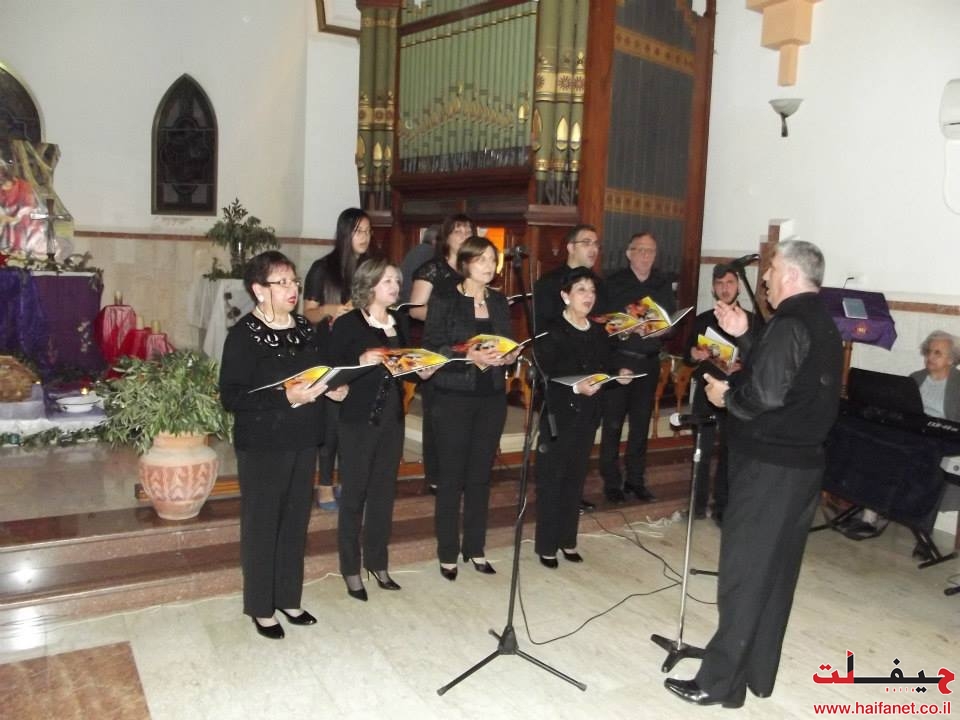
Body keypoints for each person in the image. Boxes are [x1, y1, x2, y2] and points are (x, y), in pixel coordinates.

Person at [664, 240, 842, 707]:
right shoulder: (821, 320)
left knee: (744, 575)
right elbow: (788, 376)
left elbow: (764, 394)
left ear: (792, 275)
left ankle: (719, 683)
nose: (764, 277)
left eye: (772, 268)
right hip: (802, 468)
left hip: (768, 468)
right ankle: (756, 674)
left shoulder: (790, 323)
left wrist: (726, 398)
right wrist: (746, 335)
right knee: (775, 576)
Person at [219, 251, 348, 640]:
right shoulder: (244, 335)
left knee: (295, 522)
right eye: (283, 282)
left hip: (303, 437)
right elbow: (232, 396)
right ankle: (261, 607)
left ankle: (289, 598)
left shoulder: (305, 328)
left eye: (294, 281)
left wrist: (333, 388)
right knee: (262, 524)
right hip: (263, 442)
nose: (293, 289)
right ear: (259, 290)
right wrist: (286, 397)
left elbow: (318, 373)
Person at [329, 258, 436, 600]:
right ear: (369, 284)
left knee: (383, 495)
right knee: (354, 496)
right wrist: (358, 362)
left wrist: (421, 371)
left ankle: (378, 562)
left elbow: (401, 367)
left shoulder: (399, 321)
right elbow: (329, 369)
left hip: (392, 420)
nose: (396, 287)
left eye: (397, 281)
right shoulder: (347, 323)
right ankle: (350, 568)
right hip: (357, 420)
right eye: (388, 280)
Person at [424, 235, 515, 580]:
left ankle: (475, 547)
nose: (489, 266)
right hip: (453, 397)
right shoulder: (445, 297)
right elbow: (432, 347)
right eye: (482, 260)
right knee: (451, 477)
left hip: (491, 396)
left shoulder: (499, 300)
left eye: (493, 259)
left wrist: (509, 355)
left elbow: (507, 341)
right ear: (465, 263)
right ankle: (447, 552)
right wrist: (468, 355)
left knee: (480, 476)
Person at [534, 267, 631, 567]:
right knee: (552, 479)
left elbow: (605, 368)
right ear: (565, 296)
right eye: (581, 290)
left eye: (591, 290)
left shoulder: (598, 331)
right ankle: (546, 545)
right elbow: (544, 376)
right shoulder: (551, 330)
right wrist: (576, 387)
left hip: (588, 414)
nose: (588, 296)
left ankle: (567, 540)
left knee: (575, 479)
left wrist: (618, 374)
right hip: (559, 413)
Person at [303, 208, 372, 511]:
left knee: (354, 421)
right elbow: (307, 313)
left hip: (360, 350)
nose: (365, 237)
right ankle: (324, 484)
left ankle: (348, 479)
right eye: (359, 231)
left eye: (368, 231)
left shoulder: (370, 269)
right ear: (345, 233)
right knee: (331, 424)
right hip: (329, 350)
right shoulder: (323, 268)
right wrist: (332, 310)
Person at [600, 231, 675, 504]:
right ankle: (611, 482)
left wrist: (663, 330)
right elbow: (603, 322)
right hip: (620, 360)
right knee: (613, 424)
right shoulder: (613, 282)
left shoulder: (662, 283)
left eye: (651, 251)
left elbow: (671, 324)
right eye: (640, 250)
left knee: (641, 425)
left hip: (649, 361)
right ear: (629, 253)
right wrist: (626, 328)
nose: (645, 255)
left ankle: (635, 480)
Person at [408, 214, 476, 495]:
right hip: (438, 346)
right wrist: (449, 317)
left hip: (469, 349)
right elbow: (415, 309)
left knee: (467, 414)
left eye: (468, 230)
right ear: (446, 238)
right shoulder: (432, 269)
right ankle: (436, 476)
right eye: (458, 231)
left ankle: (463, 472)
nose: (464, 235)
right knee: (438, 415)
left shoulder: (474, 269)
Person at [682, 263, 756, 523]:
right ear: (713, 288)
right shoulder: (703, 319)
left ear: (739, 286)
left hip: (735, 394)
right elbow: (687, 356)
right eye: (720, 284)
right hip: (706, 390)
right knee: (700, 450)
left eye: (730, 283)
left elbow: (760, 360)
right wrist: (694, 354)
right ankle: (697, 505)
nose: (725, 288)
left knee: (729, 451)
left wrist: (742, 366)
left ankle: (723, 507)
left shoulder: (752, 321)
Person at [532, 223, 606, 334]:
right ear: (571, 248)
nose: (594, 249)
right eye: (586, 243)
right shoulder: (549, 282)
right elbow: (542, 326)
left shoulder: (600, 283)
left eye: (596, 244)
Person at [0, 159, 45, 254]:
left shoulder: (24, 186)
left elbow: (29, 207)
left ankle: (19, 248)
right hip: (7, 218)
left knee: (21, 223)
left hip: (26, 217)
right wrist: (4, 216)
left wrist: (16, 217)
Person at [399, 224, 439, 304]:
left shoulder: (418, 250)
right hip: (414, 299)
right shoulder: (428, 252)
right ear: (435, 240)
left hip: (407, 297)